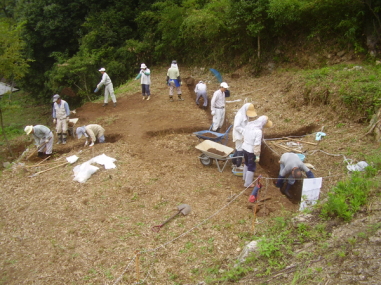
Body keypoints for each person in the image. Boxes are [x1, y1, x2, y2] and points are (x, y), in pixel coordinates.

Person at [242, 115, 273, 188]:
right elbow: (257, 144)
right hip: (251, 150)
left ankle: (245, 178)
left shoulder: (249, 125)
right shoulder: (258, 131)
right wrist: (257, 155)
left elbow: (243, 135)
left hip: (244, 147)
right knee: (251, 166)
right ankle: (248, 183)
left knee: (246, 163)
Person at [232, 103, 256, 169]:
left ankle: (234, 162)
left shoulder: (245, 115)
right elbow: (236, 126)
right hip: (238, 134)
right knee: (240, 150)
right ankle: (238, 165)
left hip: (242, 134)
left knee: (238, 148)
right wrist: (244, 131)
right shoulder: (239, 115)